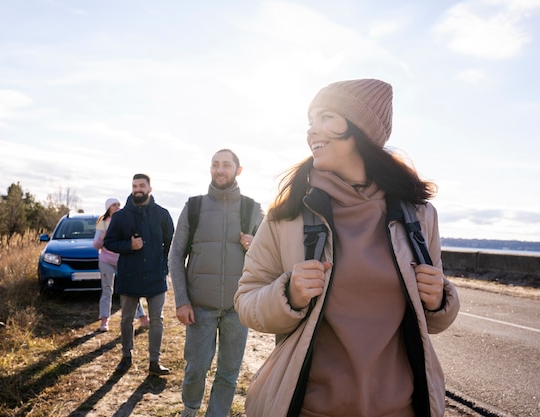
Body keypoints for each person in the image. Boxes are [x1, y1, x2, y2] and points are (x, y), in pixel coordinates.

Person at [234, 79, 460, 417]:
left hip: (401, 409)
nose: (312, 131)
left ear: (361, 130)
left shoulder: (419, 215)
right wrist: (288, 294)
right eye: (311, 121)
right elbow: (246, 301)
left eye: (326, 117)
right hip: (308, 407)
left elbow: (433, 318)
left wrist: (441, 299)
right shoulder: (287, 214)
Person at [169, 149, 264, 417]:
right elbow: (176, 255)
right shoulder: (194, 207)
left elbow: (269, 257)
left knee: (229, 372)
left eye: (226, 165)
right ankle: (190, 409)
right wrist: (182, 300)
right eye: (215, 164)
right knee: (196, 368)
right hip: (200, 307)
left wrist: (254, 246)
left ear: (238, 170)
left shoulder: (252, 208)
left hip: (238, 308)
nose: (220, 169)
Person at [103, 174, 174, 375]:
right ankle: (126, 357)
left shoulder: (162, 214)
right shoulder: (121, 216)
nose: (138, 189)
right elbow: (109, 242)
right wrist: (129, 246)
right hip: (129, 275)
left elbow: (172, 243)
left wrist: (164, 268)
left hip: (155, 276)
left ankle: (154, 362)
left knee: (157, 320)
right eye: (134, 186)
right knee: (126, 319)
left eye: (142, 185)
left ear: (150, 188)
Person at [92, 197, 149, 332]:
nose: (117, 207)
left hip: (123, 260)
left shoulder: (124, 220)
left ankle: (142, 317)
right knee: (107, 290)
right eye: (114, 205)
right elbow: (96, 245)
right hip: (106, 261)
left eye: (118, 204)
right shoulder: (103, 223)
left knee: (132, 288)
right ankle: (104, 320)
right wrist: (103, 235)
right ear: (108, 208)